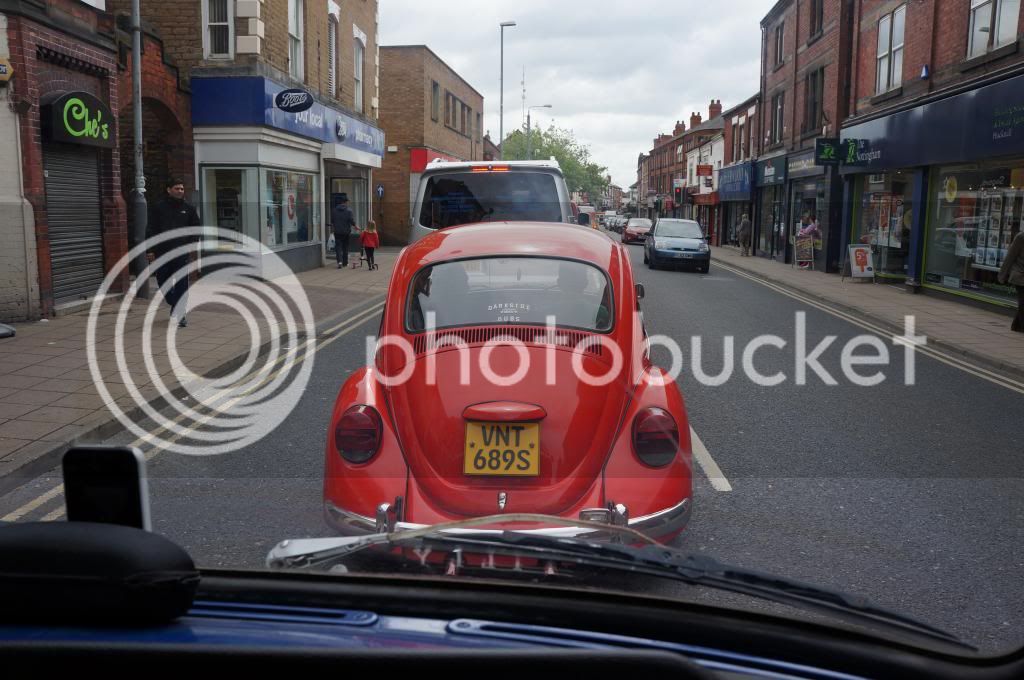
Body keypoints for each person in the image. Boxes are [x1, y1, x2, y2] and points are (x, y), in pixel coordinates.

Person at [148, 178, 201, 327]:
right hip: (162, 251)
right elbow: (151, 228)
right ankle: (173, 302)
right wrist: (151, 250)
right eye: (177, 188)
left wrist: (191, 244)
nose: (180, 191)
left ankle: (180, 313)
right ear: (169, 190)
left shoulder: (189, 209)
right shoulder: (158, 208)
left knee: (181, 283)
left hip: (181, 252)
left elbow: (196, 227)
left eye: (182, 189)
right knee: (162, 280)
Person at [998, 230, 1024, 333]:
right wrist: (1002, 275)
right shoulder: (1021, 237)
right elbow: (1010, 256)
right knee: (1023, 301)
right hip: (1019, 274)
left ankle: (1016, 325)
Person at [331, 193, 357, 269]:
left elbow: (332, 221)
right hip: (346, 232)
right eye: (347, 202)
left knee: (338, 247)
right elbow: (351, 221)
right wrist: (355, 225)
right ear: (345, 202)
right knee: (345, 247)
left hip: (337, 232)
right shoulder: (349, 211)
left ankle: (339, 262)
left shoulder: (334, 210)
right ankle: (345, 263)